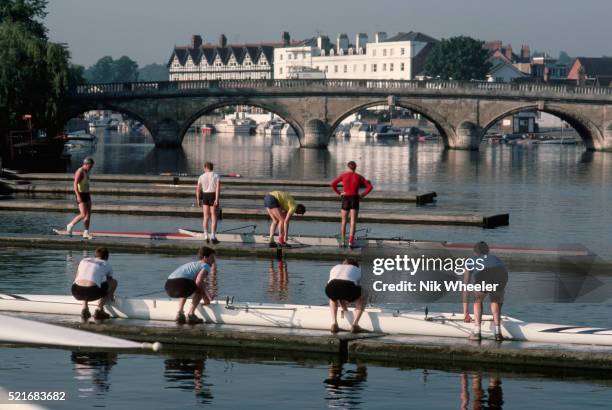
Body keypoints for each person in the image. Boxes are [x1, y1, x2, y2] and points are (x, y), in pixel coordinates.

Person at [463, 241, 509, 341]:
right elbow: (503, 272)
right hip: (501, 273)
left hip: (486, 273)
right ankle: (498, 333)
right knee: (495, 300)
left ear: (474, 252)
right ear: (488, 251)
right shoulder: (495, 258)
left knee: (478, 300)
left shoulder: (471, 260)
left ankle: (476, 332)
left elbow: (465, 287)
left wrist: (466, 313)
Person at [165, 246, 216, 325]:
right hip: (181, 284)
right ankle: (191, 314)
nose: (214, 261)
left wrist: (207, 296)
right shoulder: (206, 265)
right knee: (198, 288)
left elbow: (198, 282)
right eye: (212, 257)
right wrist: (206, 298)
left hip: (169, 285)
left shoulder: (192, 264)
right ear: (205, 258)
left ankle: (180, 313)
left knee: (187, 287)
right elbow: (199, 282)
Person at [330, 161, 373, 248]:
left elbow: (333, 184)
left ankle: (342, 242)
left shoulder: (343, 175)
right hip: (355, 199)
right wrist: (362, 195)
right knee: (353, 222)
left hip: (345, 198)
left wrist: (339, 193)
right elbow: (370, 187)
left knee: (343, 222)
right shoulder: (359, 177)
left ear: (348, 167)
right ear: (355, 167)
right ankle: (351, 242)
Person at [71, 247, 117, 320]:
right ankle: (99, 308)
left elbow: (76, 277)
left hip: (75, 291)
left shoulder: (84, 260)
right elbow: (110, 282)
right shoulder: (106, 264)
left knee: (86, 280)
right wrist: (110, 295)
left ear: (95, 255)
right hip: (91, 292)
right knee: (114, 282)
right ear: (106, 257)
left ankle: (85, 308)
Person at [325, 259, 366, 334]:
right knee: (362, 296)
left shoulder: (335, 267)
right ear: (355, 266)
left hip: (331, 286)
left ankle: (334, 323)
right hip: (347, 286)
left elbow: (337, 285)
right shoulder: (358, 270)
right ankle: (355, 324)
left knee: (333, 297)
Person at [67, 157, 95, 239]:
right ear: (86, 164)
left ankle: (86, 232)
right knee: (83, 214)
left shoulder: (87, 171)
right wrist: (78, 195)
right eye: (90, 166)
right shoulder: (80, 171)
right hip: (80, 194)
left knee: (88, 214)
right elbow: (75, 184)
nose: (91, 168)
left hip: (87, 194)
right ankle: (70, 225)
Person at [196, 161, 221, 244]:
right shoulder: (216, 175)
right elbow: (218, 188)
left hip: (205, 195)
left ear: (205, 167)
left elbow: (198, 189)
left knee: (205, 217)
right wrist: (216, 199)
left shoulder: (201, 176)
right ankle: (213, 235)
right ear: (212, 167)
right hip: (213, 195)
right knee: (214, 216)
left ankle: (206, 235)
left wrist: (198, 200)